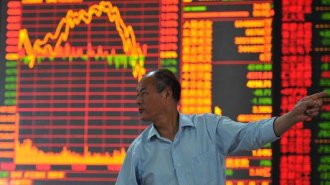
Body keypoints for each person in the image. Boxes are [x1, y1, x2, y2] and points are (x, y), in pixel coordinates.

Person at [115, 69, 327, 185]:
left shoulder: (209, 128)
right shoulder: (138, 151)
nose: (138, 100)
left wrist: (292, 116)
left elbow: (251, 134)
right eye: (136, 95)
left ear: (166, 94)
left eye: (143, 93)